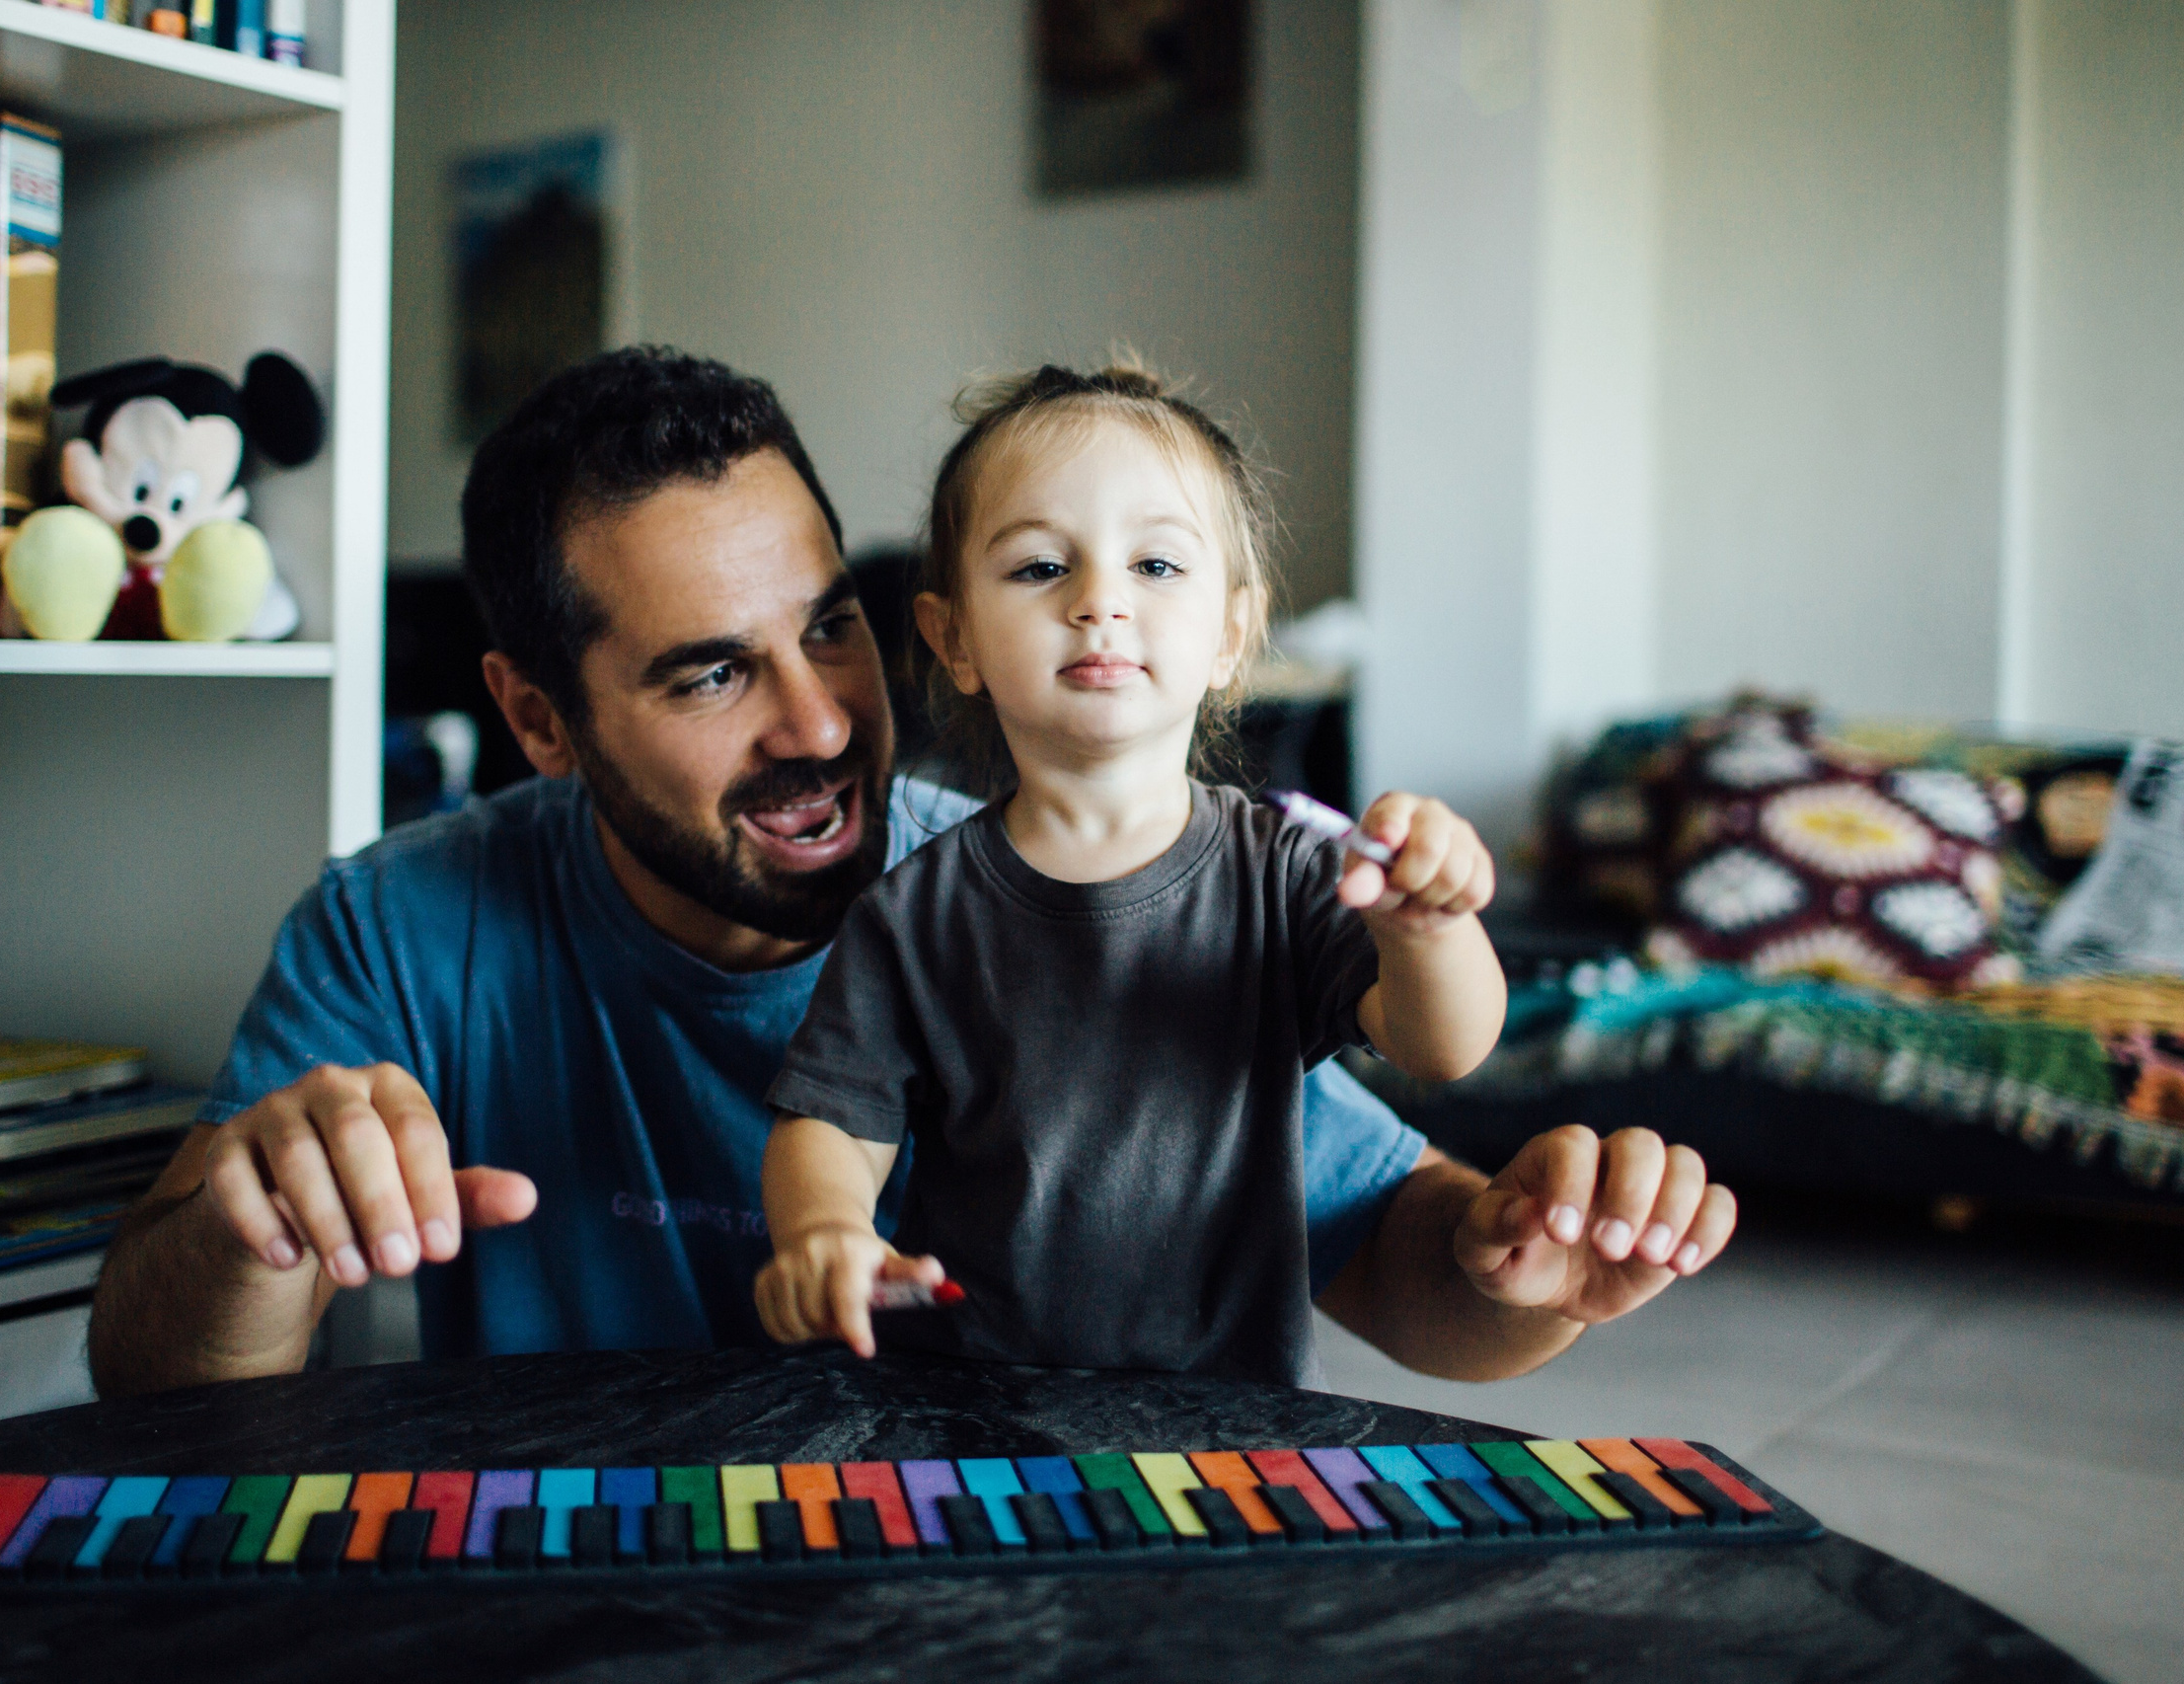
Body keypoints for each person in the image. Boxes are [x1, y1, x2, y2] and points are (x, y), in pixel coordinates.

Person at [84, 347, 1435, 1395]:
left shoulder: (1039, 889)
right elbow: (152, 1368)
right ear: (539, 719)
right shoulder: (393, 927)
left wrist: (1550, 1238)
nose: (824, 722)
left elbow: (1392, 1242)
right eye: (714, 671)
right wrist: (253, 1223)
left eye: (831, 626)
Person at [755, 361, 1735, 1384]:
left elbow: (1445, 1045)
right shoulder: (915, 907)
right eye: (1041, 567)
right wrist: (824, 1229)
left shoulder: (1288, 873)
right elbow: (831, 1119)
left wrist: (1428, 929)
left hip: (1227, 1418)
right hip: (971, 1413)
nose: (1100, 601)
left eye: (1158, 567)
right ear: (952, 638)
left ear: (1231, 634)